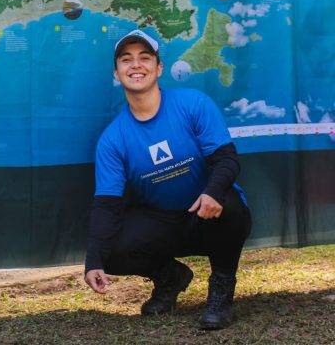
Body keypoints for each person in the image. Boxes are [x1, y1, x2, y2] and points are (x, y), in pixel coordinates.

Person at [84, 29, 252, 330]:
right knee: (108, 248)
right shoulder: (112, 139)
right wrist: (93, 260)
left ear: (159, 68)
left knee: (229, 204)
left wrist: (212, 192)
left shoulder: (193, 104)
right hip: (162, 221)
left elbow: (227, 160)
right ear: (116, 73)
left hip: (206, 213)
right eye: (126, 59)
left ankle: (222, 290)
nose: (136, 65)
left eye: (145, 58)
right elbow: (107, 205)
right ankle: (171, 278)